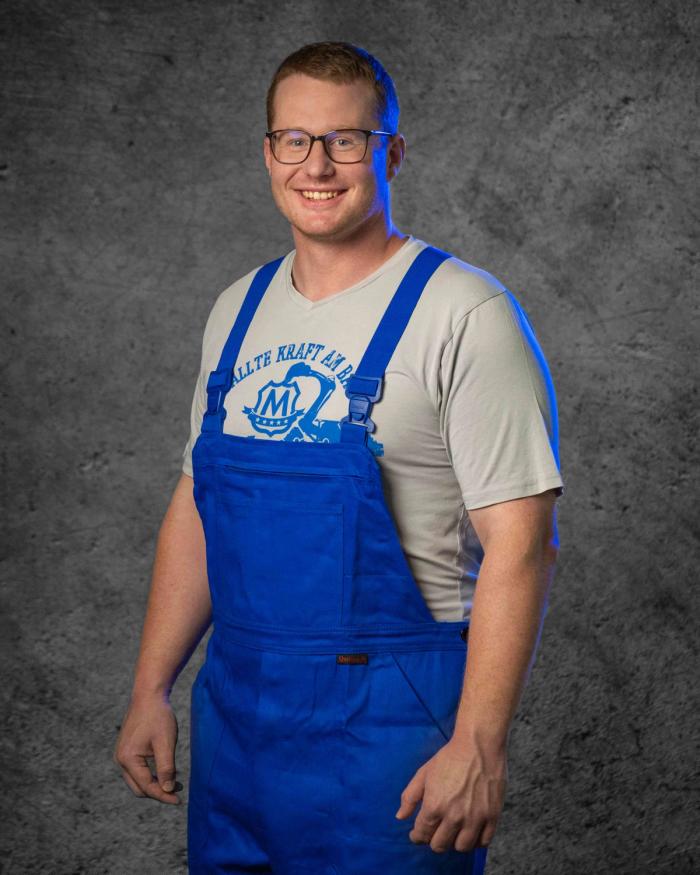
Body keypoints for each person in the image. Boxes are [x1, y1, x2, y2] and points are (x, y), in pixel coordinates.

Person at [114, 40, 564, 874]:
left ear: (391, 152)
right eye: (295, 139)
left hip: (390, 725)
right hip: (238, 721)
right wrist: (151, 686)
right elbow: (198, 508)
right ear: (268, 152)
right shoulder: (236, 310)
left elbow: (523, 543)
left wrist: (479, 743)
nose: (316, 165)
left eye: (345, 140)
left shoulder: (463, 311)